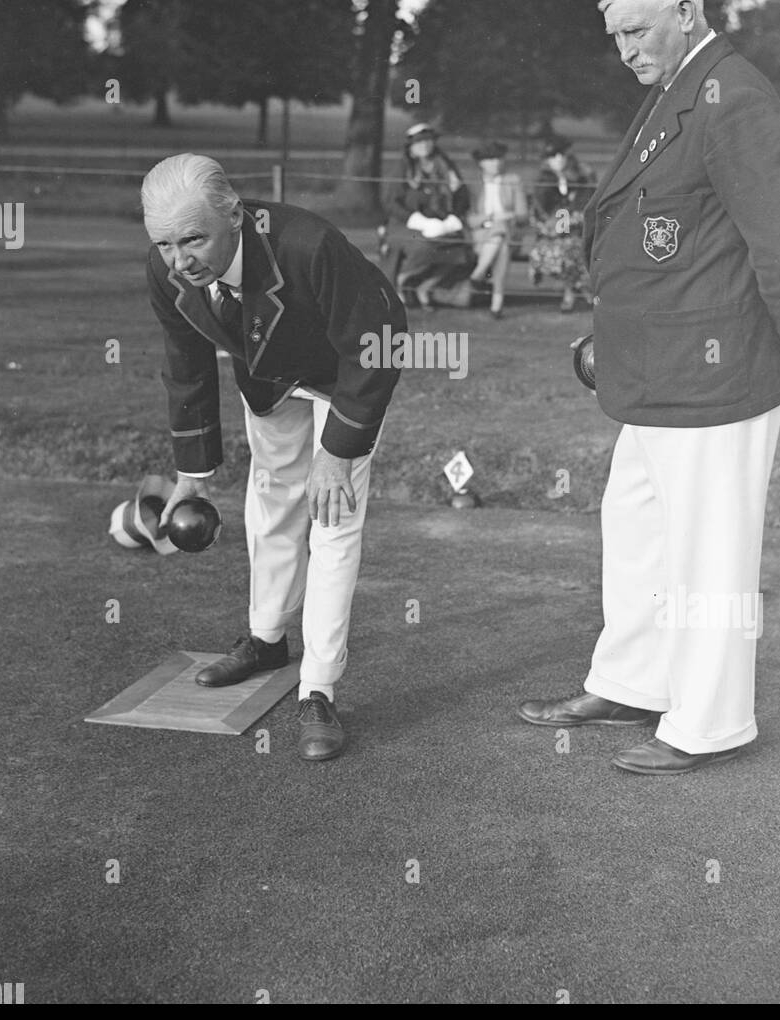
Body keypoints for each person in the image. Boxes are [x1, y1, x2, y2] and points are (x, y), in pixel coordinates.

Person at [518, 0, 780, 775]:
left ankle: (707, 723)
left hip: (718, 375)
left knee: (711, 556)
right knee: (640, 532)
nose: (626, 50)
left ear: (686, 14)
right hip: (657, 372)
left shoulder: (734, 99)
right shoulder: (679, 88)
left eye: (637, 31)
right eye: (617, 35)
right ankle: (632, 681)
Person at [143, 154, 407, 762]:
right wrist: (193, 474)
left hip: (349, 368)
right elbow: (184, 363)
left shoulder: (310, 245)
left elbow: (379, 343)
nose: (180, 260)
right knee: (271, 498)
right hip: (267, 378)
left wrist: (338, 452)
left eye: (193, 238)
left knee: (332, 518)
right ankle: (267, 638)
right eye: (163, 244)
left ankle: (319, 685)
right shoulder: (168, 269)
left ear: (234, 214)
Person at [386, 123, 473, 309]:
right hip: (406, 225)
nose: (424, 145)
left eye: (428, 141)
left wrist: (453, 218)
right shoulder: (403, 168)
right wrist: (419, 221)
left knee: (460, 249)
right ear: (411, 147)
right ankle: (401, 282)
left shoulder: (445, 165)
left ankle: (426, 287)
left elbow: (462, 195)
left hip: (441, 224)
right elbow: (391, 203)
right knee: (423, 247)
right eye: (419, 142)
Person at [529, 134, 596, 313]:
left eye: (561, 155)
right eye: (553, 156)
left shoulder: (582, 177)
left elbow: (585, 208)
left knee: (570, 251)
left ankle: (570, 294)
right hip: (548, 236)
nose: (558, 159)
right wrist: (556, 224)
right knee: (548, 253)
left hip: (575, 233)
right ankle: (581, 287)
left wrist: (566, 220)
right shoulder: (543, 181)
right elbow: (540, 212)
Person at [466, 140, 528, 319]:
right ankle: (496, 303)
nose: (496, 163)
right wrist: (492, 218)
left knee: (501, 238)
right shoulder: (474, 184)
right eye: (490, 159)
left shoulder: (513, 181)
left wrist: (507, 218)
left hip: (508, 232)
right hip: (480, 234)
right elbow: (469, 219)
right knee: (501, 243)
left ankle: (478, 273)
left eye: (498, 158)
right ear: (481, 163)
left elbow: (522, 214)